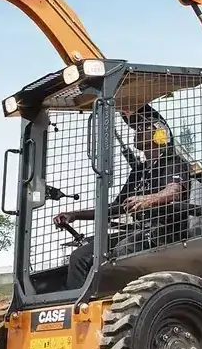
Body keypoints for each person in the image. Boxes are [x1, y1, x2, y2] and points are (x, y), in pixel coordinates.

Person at [54, 103, 193, 249]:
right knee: (84, 253)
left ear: (159, 133)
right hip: (142, 231)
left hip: (165, 232)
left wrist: (148, 199)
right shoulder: (139, 171)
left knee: (123, 248)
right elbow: (116, 208)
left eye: (143, 127)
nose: (137, 131)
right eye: (136, 128)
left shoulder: (171, 161)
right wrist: (75, 215)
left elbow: (174, 191)